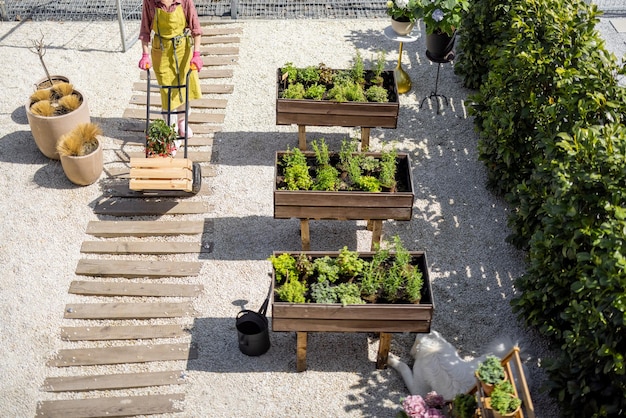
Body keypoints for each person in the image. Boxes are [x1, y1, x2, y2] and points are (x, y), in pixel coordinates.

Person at [138, 0, 204, 138]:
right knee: (167, 91)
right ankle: (170, 128)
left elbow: (196, 29)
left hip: (182, 49)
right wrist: (145, 55)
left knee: (183, 87)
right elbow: (145, 30)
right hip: (160, 51)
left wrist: (196, 54)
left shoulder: (184, 1)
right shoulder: (150, 2)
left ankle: (182, 121)